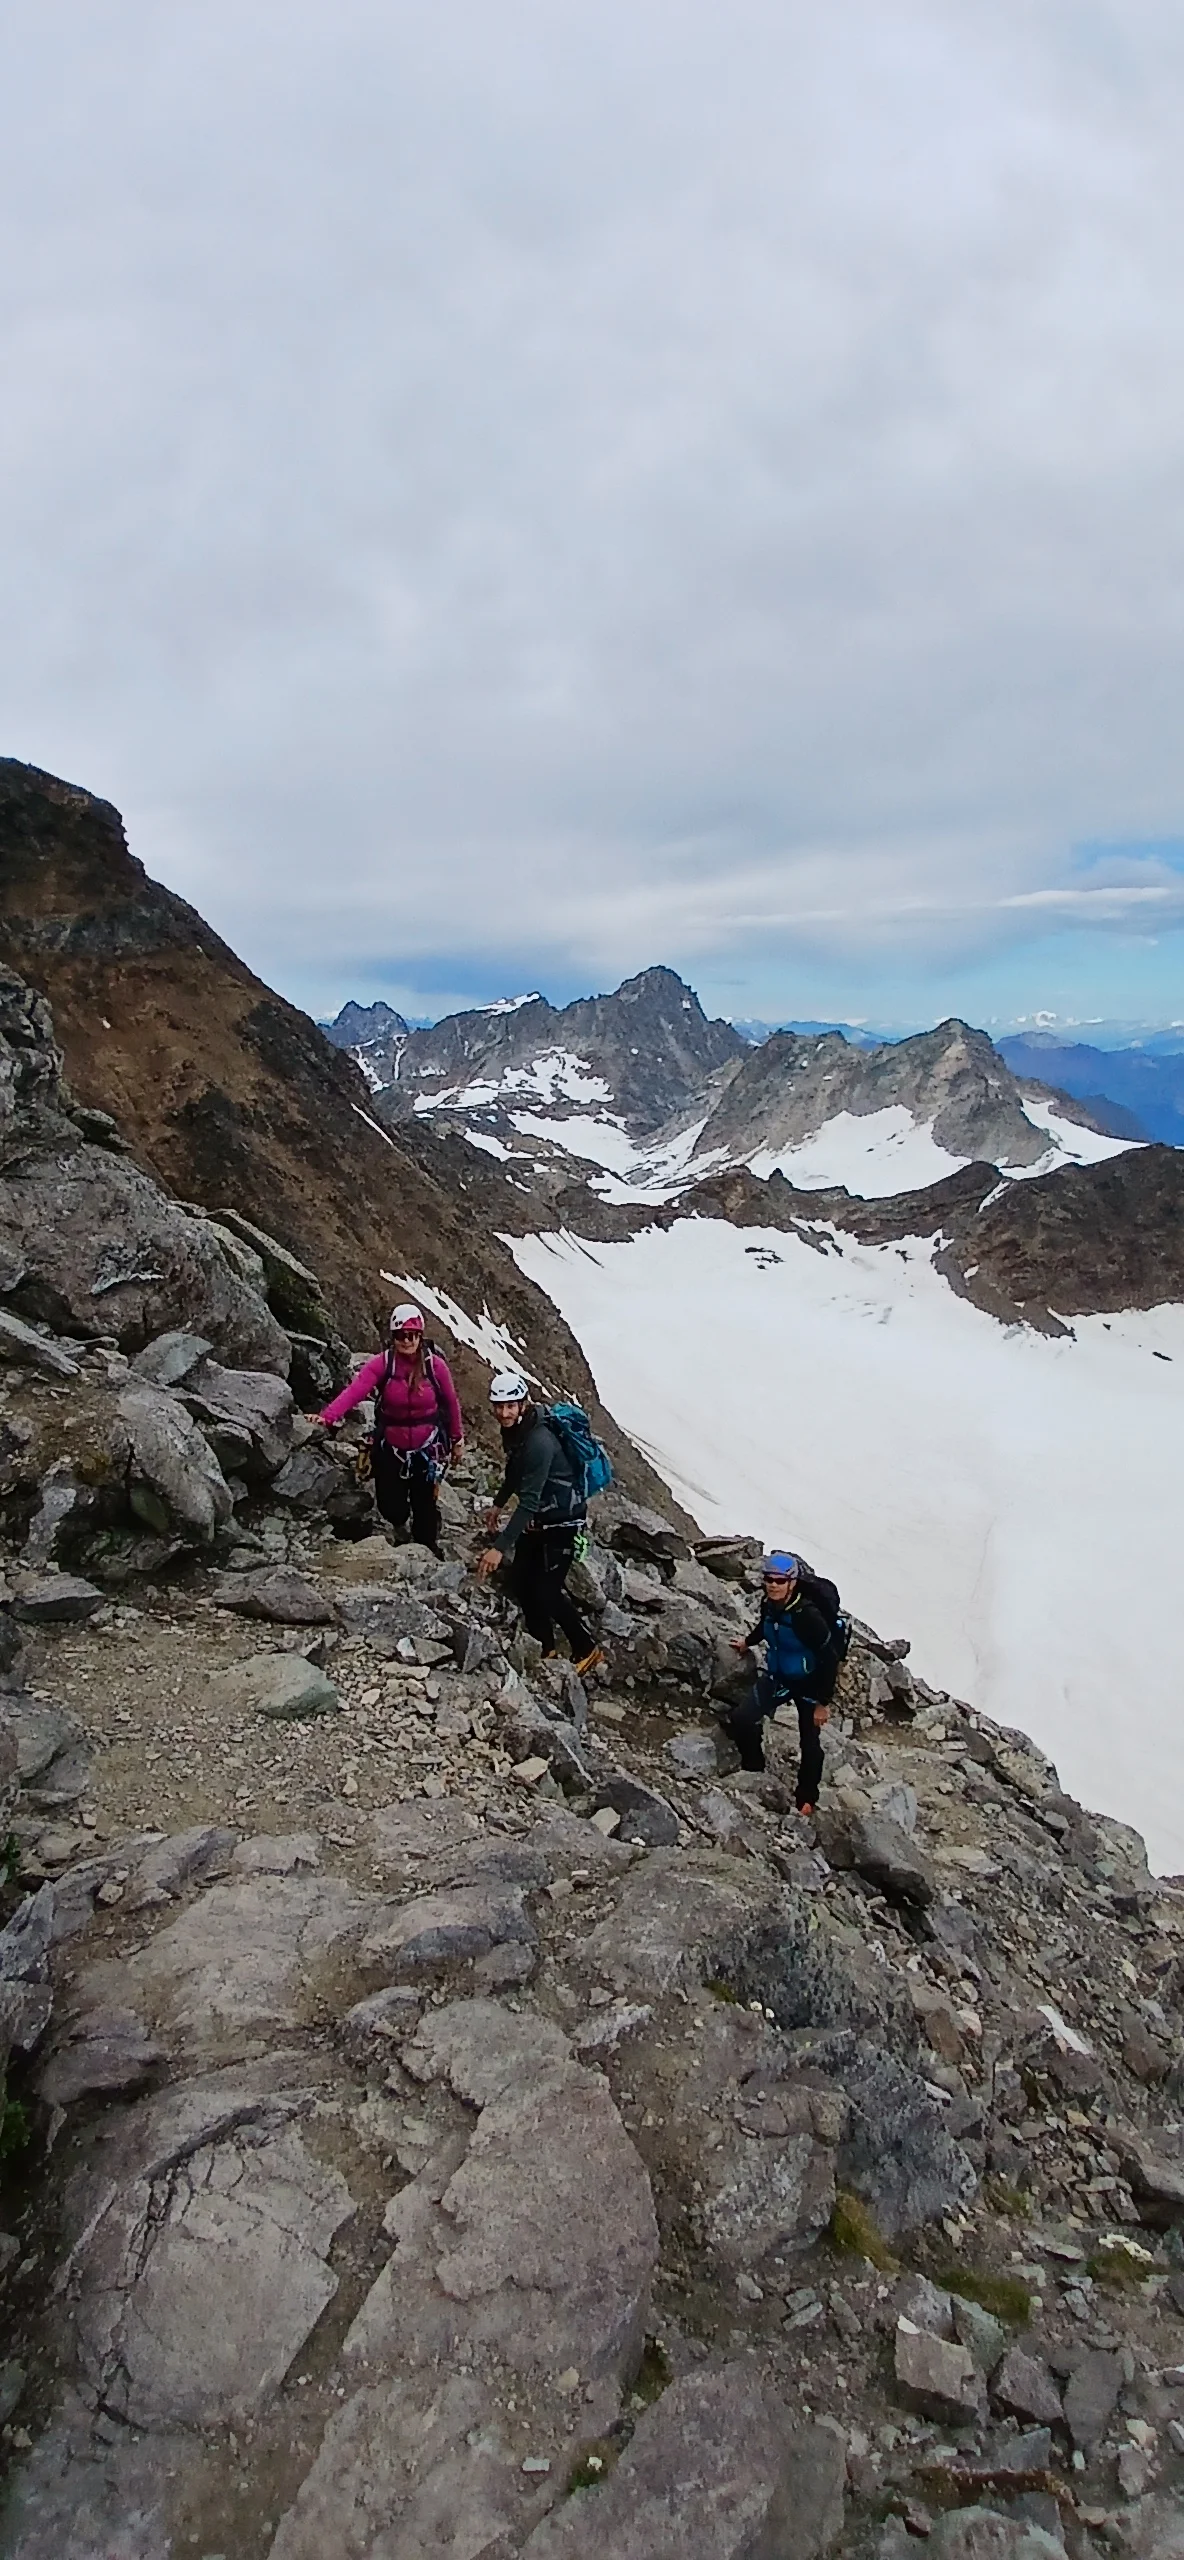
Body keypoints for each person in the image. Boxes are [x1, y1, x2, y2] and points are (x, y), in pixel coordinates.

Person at [474, 1371, 603, 1673]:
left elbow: (529, 1500)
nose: (503, 1413)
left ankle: (586, 1647)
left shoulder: (539, 1442)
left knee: (546, 1590)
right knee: (521, 1579)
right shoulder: (519, 1432)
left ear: (522, 1404)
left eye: (510, 1406)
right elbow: (516, 1473)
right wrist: (498, 1503)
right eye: (499, 1406)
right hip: (540, 1519)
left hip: (562, 1522)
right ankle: (544, 1646)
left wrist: (499, 1547)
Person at [317, 1303, 464, 1554]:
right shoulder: (381, 1364)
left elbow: (451, 1402)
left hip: (427, 1447)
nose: (407, 1340)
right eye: (401, 1335)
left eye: (412, 1335)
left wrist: (456, 1439)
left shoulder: (435, 1366)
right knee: (390, 1505)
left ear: (420, 1335)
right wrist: (327, 1417)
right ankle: (399, 1525)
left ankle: (426, 1546)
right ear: (393, 1336)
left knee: (424, 1504)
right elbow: (356, 1391)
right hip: (391, 1445)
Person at [725, 1549, 842, 1809]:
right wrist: (748, 1642)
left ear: (792, 1582)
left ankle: (806, 1799)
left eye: (779, 1581)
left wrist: (823, 1702)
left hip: (809, 1683)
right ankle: (754, 1770)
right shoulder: (770, 1605)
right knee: (742, 1719)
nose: (773, 1585)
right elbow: (765, 1626)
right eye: (769, 1579)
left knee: (809, 1743)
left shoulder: (807, 1616)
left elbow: (830, 1658)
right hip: (779, 1676)